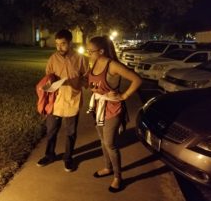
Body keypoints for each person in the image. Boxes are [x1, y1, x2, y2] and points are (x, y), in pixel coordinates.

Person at [86, 36, 142, 192]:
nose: (88, 54)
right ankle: (107, 167)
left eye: (91, 51)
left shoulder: (113, 65)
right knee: (103, 141)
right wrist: (94, 89)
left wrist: (123, 96)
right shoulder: (95, 62)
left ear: (101, 51)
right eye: (88, 51)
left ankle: (118, 177)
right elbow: (93, 82)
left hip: (113, 109)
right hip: (98, 107)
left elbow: (137, 80)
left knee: (110, 143)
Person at [36, 29, 89, 172]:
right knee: (51, 130)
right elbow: (48, 77)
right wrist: (48, 86)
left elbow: (86, 78)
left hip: (73, 99)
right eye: (57, 44)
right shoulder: (53, 58)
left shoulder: (80, 58)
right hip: (56, 100)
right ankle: (49, 155)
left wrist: (79, 83)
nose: (59, 47)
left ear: (70, 43)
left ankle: (68, 158)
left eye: (63, 44)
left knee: (70, 132)